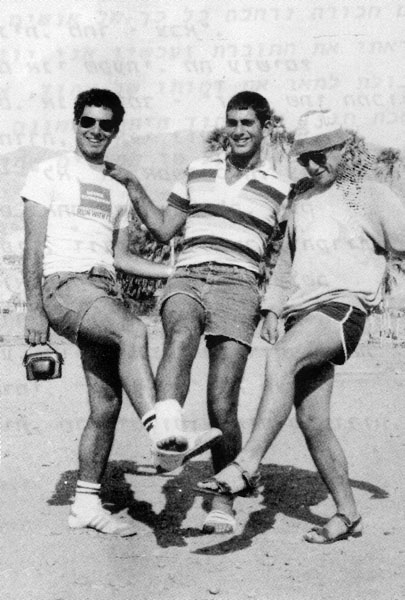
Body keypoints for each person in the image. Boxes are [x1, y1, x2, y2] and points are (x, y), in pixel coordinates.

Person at [196, 109, 405, 543]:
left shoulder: (370, 193)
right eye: (304, 158)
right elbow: (287, 264)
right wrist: (273, 309)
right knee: (313, 421)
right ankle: (348, 514)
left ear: (343, 148)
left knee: (282, 357)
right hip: (301, 314)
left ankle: (246, 465)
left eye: (320, 155)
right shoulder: (303, 199)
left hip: (342, 309)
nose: (312, 165)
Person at [22, 88, 218, 537]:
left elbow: (122, 257)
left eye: (105, 125)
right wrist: (34, 309)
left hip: (104, 290)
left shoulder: (117, 188)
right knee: (133, 331)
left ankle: (86, 504)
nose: (95, 130)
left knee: (106, 405)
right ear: (76, 123)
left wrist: (173, 271)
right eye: (88, 121)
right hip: (64, 284)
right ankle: (162, 429)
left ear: (115, 131)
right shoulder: (48, 171)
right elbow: (33, 246)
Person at [106, 91, 290, 533]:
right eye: (232, 121)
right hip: (188, 274)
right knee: (181, 334)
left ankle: (223, 501)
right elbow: (163, 228)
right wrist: (133, 184)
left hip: (240, 285)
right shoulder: (197, 168)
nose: (238, 131)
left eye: (248, 122)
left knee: (222, 402)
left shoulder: (282, 189)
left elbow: (287, 255)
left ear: (265, 127)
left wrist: (273, 307)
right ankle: (168, 433)